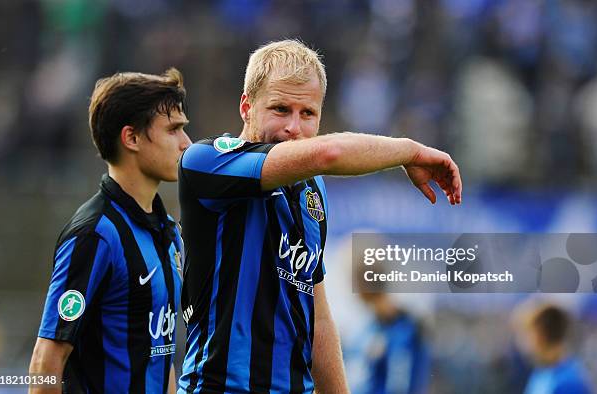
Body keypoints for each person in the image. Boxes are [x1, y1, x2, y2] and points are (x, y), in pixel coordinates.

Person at [178, 39, 462, 393]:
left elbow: (320, 319)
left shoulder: (312, 191)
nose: (294, 128)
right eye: (280, 109)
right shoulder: (208, 163)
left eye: (307, 113)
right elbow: (327, 153)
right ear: (246, 106)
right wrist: (411, 152)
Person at [29, 68, 191, 393]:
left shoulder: (170, 232)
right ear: (131, 138)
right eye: (173, 130)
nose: (186, 143)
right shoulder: (95, 235)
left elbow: (161, 356)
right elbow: (45, 362)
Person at [347, 292, 430, 394]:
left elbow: (400, 380)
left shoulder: (408, 332)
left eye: (374, 301)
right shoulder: (373, 329)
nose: (374, 308)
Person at [514, 302, 593, 394]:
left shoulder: (568, 384)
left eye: (527, 335)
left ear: (541, 335)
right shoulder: (541, 373)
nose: (523, 342)